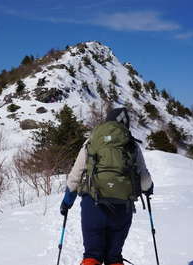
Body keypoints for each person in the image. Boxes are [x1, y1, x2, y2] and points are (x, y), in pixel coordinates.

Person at [60, 108, 154, 265]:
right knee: (114, 257)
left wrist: (67, 201)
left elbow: (75, 175)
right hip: (122, 208)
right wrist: (148, 189)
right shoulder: (131, 144)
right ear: (125, 124)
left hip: (93, 205)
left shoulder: (91, 141)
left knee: (92, 256)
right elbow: (144, 179)